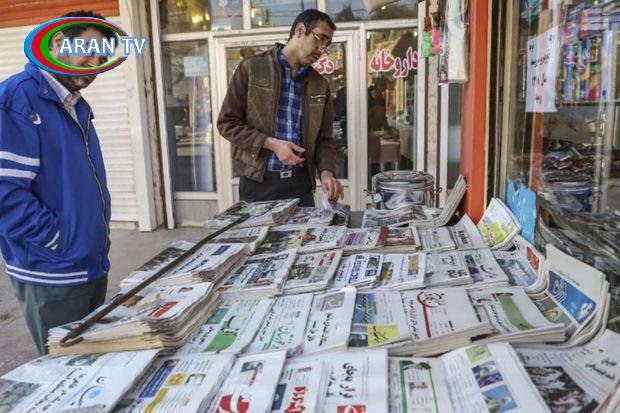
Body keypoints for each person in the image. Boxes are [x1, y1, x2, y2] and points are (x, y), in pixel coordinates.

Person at [0, 10, 114, 355]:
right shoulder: (17, 98)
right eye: (88, 51)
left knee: (94, 363)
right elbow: (4, 193)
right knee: (68, 367)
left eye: (102, 58)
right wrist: (59, 241)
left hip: (89, 264)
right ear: (58, 43)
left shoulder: (75, 104)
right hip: (52, 273)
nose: (94, 64)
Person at [218, 9, 344, 207]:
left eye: (327, 44)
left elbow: (324, 139)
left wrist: (327, 172)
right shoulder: (252, 68)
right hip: (258, 184)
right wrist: (271, 144)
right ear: (300, 30)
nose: (321, 49)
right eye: (320, 39)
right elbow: (227, 123)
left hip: (301, 186)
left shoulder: (319, 84)